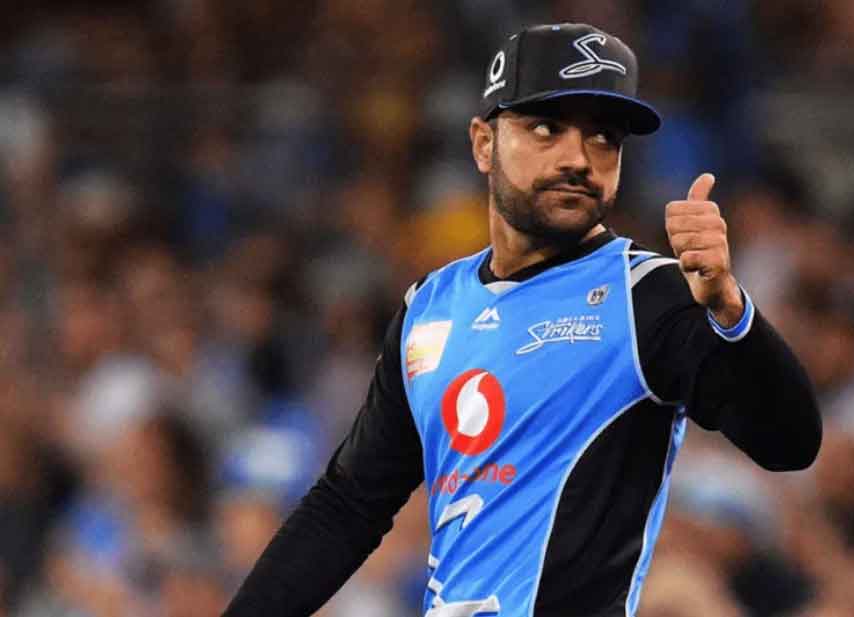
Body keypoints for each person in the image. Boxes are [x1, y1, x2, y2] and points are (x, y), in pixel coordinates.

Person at [224, 22, 821, 617]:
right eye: (546, 129)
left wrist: (730, 308)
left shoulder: (649, 294)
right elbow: (349, 505)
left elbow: (789, 443)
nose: (578, 159)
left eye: (603, 138)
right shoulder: (430, 305)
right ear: (483, 143)